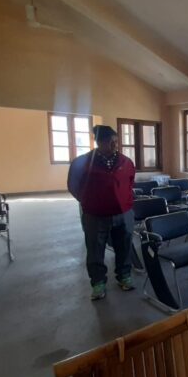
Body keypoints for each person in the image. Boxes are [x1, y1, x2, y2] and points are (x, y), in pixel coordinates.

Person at [67, 125, 136, 300]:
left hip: (123, 213)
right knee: (95, 249)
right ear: (99, 142)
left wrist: (124, 200)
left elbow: (130, 183)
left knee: (124, 245)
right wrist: (89, 201)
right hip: (95, 215)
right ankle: (98, 283)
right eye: (110, 142)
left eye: (116, 141)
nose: (115, 145)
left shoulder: (126, 162)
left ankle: (124, 275)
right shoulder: (82, 163)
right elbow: (73, 186)